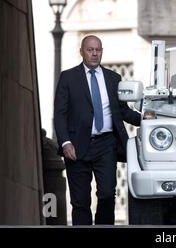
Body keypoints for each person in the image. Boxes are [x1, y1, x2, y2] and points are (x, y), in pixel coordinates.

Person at [54, 35, 141, 225]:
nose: (94, 54)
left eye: (98, 50)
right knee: (80, 201)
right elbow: (60, 114)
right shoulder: (68, 77)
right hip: (76, 147)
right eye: (90, 50)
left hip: (106, 144)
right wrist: (65, 142)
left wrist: (147, 119)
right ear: (82, 52)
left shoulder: (113, 78)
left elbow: (124, 111)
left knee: (107, 193)